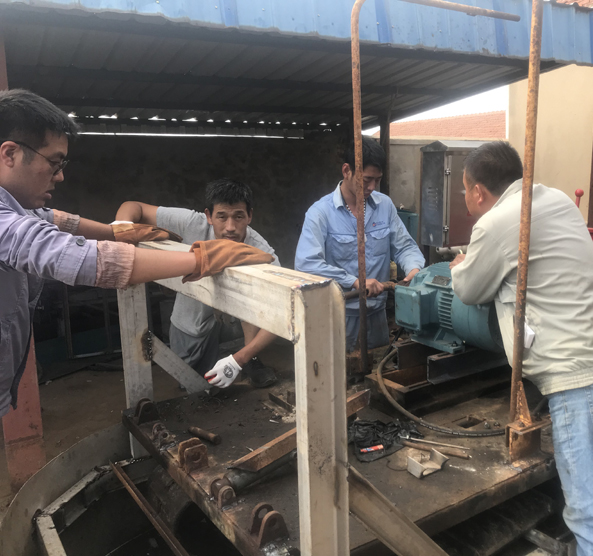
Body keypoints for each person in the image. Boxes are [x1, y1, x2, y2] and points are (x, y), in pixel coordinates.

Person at [449, 141, 593, 556]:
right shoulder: (557, 199)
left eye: (464, 190)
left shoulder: (496, 223)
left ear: (478, 191)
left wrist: (460, 267)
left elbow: (469, 290)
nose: (466, 198)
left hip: (586, 391)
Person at [0, 89, 273, 418]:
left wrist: (115, 231)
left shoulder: (17, 209)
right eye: (54, 162)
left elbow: (52, 219)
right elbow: (78, 257)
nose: (60, 175)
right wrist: (202, 258)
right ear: (10, 154)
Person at [116, 179, 279, 389]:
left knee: (254, 305)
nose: (230, 227)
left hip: (232, 327)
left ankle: (250, 359)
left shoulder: (263, 251)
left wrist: (240, 358)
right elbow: (133, 207)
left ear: (250, 216)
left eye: (238, 216)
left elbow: (280, 315)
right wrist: (122, 232)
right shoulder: (193, 223)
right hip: (191, 322)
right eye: (222, 216)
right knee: (190, 386)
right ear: (209, 216)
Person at [295, 137, 425, 352]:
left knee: (378, 364)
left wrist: (414, 270)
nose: (372, 187)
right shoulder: (320, 213)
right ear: (347, 171)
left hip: (378, 315)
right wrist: (355, 282)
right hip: (338, 315)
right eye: (366, 179)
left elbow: (404, 246)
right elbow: (306, 263)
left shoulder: (385, 206)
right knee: (341, 369)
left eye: (377, 180)